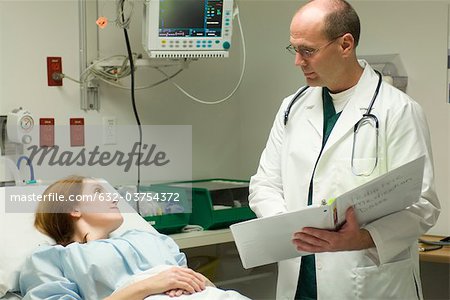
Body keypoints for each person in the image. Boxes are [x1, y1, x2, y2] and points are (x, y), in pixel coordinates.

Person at [248, 0, 440, 299]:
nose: (298, 61)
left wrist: (361, 238)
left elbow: (422, 205)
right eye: (294, 49)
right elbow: (264, 183)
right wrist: (290, 226)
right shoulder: (292, 108)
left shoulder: (398, 110)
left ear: (345, 45)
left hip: (366, 282)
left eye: (307, 50)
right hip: (299, 280)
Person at [19, 175, 248, 300]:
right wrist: (148, 286)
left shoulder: (150, 238)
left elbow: (195, 283)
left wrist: (190, 282)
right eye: (99, 192)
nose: (114, 198)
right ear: (73, 208)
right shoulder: (53, 258)